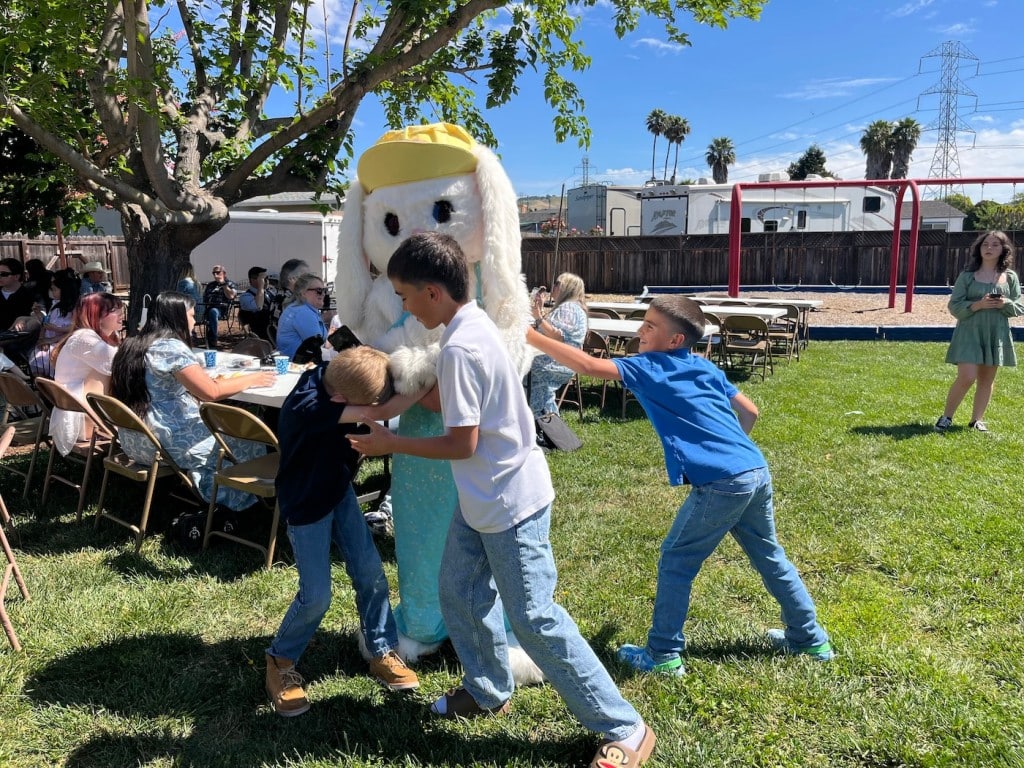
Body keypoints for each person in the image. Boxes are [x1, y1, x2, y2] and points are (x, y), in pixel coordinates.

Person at [346, 233, 656, 768]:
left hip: (510, 502)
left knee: (535, 618)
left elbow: (461, 442)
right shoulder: (468, 326)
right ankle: (490, 688)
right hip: (484, 498)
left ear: (432, 292)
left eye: (404, 294)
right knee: (459, 593)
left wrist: (390, 442)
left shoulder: (463, 348)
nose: (401, 305)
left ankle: (625, 727)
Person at [527, 294, 834, 678]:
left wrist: (529, 335)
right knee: (770, 557)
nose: (641, 330)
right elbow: (750, 411)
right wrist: (731, 454)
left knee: (677, 560)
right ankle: (810, 638)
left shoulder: (650, 366)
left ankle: (663, 654)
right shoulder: (704, 367)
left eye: (650, 327)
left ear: (674, 340)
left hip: (722, 484)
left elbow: (588, 365)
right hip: (755, 470)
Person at [265, 345, 418, 717]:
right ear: (339, 398)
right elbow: (382, 411)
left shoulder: (331, 373)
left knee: (371, 575)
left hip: (338, 491)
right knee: (316, 596)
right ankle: (280, 661)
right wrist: (428, 380)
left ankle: (381, 648)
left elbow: (376, 397)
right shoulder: (310, 406)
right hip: (307, 505)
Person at [110, 291, 276, 512]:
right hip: (169, 441)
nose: (195, 320)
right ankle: (237, 497)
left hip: (135, 440)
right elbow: (211, 393)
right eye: (191, 314)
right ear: (177, 317)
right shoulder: (171, 347)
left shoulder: (132, 344)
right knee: (245, 438)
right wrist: (254, 378)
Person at [935, 230, 1024, 434]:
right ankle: (946, 417)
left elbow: (1019, 307)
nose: (989, 248)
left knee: (987, 379)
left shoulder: (1010, 277)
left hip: (996, 333)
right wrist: (979, 304)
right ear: (978, 249)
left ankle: (977, 420)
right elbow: (954, 306)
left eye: (994, 245)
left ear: (1003, 250)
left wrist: (1004, 303)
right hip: (969, 332)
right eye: (985, 244)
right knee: (967, 376)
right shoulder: (967, 276)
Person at [49, 292, 124, 455]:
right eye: (114, 310)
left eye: (120, 308)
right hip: (80, 420)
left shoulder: (97, 338)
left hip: (79, 413)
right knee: (108, 372)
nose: (121, 313)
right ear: (96, 314)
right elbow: (124, 364)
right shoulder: (84, 338)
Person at [528, 272, 588, 417]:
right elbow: (551, 330)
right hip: (561, 360)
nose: (553, 286)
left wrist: (538, 317)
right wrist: (540, 311)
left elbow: (558, 336)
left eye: (557, 283)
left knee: (521, 371)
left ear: (567, 288)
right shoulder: (569, 307)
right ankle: (546, 427)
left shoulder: (569, 308)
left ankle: (544, 427)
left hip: (554, 362)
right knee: (541, 394)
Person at [28, 272, 81, 378]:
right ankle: (41, 385)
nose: (51, 292)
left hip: (62, 342)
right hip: (49, 341)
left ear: (65, 291)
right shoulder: (55, 305)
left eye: (54, 289)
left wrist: (55, 330)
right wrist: (39, 314)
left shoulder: (74, 308)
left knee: (51, 359)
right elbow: (46, 323)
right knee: (38, 357)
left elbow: (74, 328)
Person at [275, 273, 327, 362]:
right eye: (319, 290)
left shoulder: (301, 308)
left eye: (324, 290)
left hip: (297, 363)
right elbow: (318, 347)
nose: (323, 294)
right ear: (303, 293)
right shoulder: (303, 312)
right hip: (298, 367)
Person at [201, 265, 237, 349]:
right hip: (207, 308)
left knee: (213, 311)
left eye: (217, 272)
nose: (215, 275)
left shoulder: (230, 283)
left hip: (221, 309)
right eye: (213, 273)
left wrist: (223, 284)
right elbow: (204, 298)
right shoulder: (210, 285)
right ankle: (191, 338)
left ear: (224, 273)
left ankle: (213, 338)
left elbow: (231, 296)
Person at [238, 266, 274, 341]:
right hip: (259, 335)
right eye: (264, 279)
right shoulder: (245, 297)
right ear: (253, 279)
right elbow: (258, 306)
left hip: (273, 331)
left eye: (267, 278)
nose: (267, 281)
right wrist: (261, 286)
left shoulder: (270, 292)